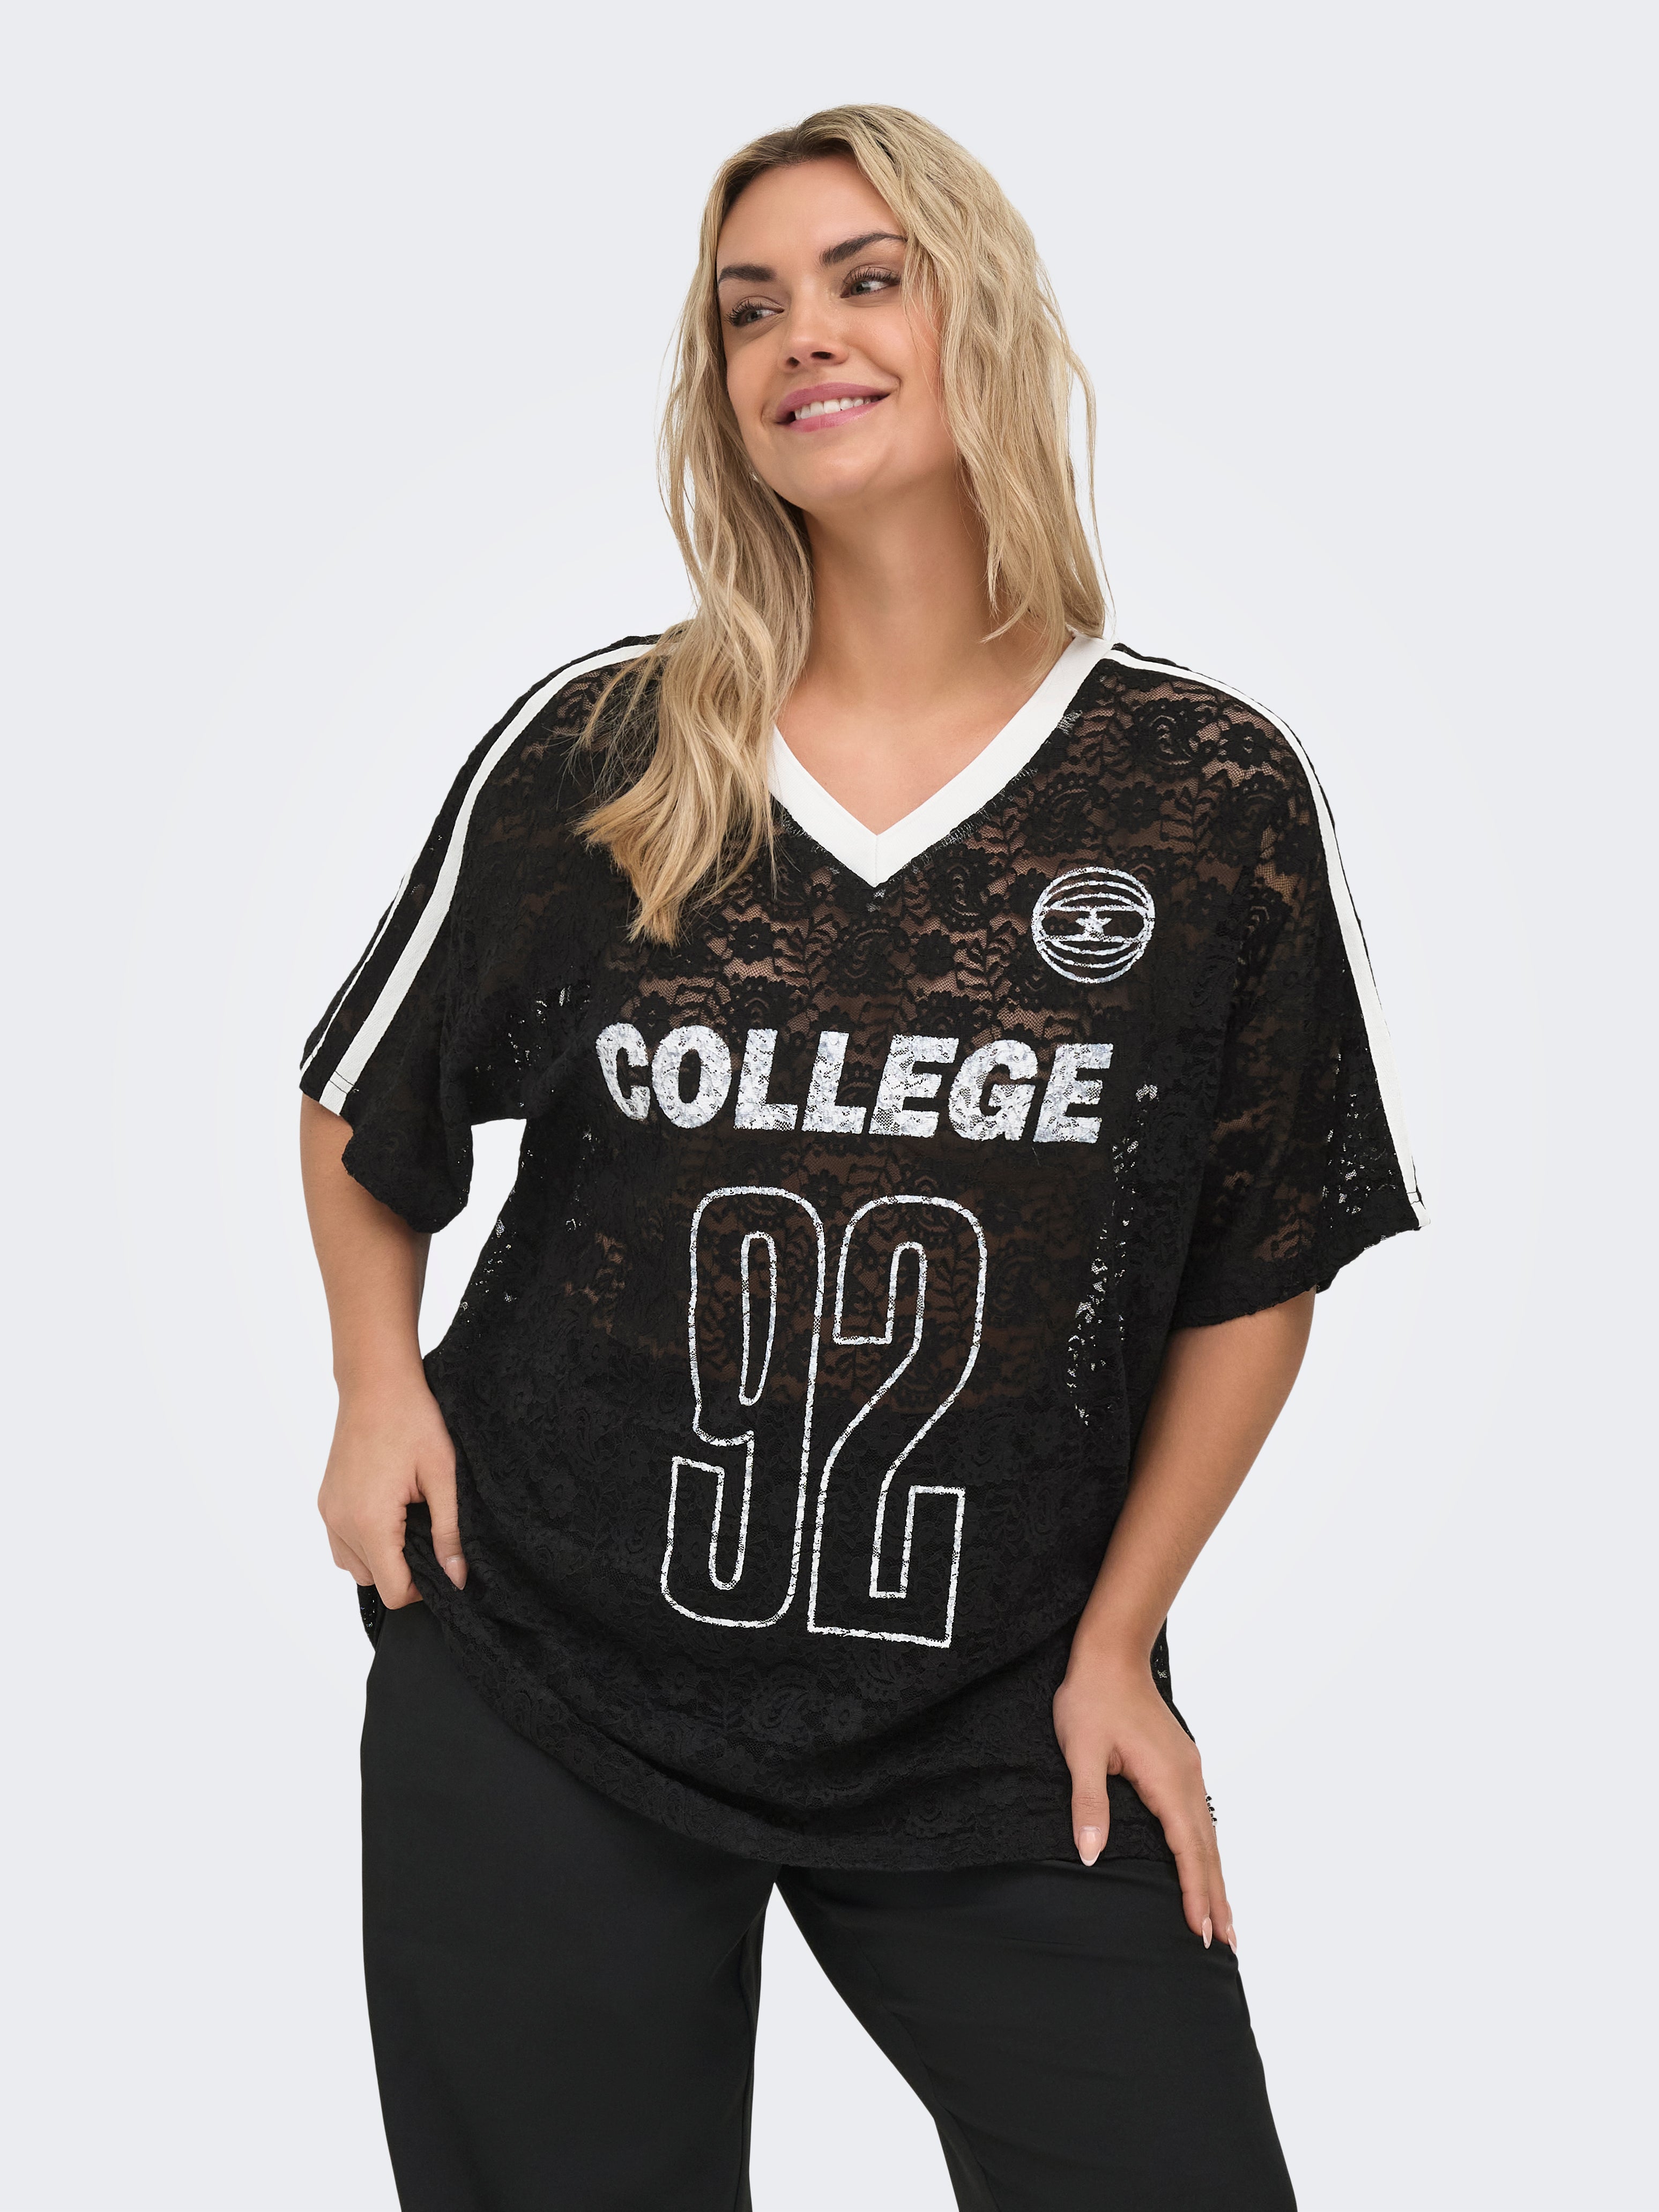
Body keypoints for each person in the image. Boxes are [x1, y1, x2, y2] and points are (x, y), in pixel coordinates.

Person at [299, 104, 1423, 2212]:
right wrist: (377, 1391)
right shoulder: (608, 750)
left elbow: (1257, 1259)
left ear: (977, 316)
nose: (800, 334)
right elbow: (373, 1113)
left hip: (996, 1709)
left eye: (863, 279)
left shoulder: (1202, 789)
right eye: (749, 309)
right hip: (547, 1669)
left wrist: (1122, 1642)